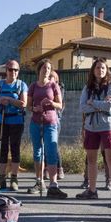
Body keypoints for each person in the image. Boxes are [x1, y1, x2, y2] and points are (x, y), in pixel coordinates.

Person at [76, 58, 111, 208]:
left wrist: (93, 103)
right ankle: (92, 190)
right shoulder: (87, 88)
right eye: (97, 68)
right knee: (91, 160)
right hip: (91, 127)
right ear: (93, 70)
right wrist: (99, 105)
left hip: (108, 126)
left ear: (107, 70)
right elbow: (82, 107)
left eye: (103, 68)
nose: (100, 70)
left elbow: (110, 106)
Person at [25, 59, 67, 198]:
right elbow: (28, 106)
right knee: (38, 152)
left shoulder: (54, 85)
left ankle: (53, 184)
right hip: (36, 122)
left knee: (51, 151)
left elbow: (60, 105)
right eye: (44, 67)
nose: (47, 70)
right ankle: (39, 181)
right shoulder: (33, 86)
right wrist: (34, 108)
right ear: (39, 69)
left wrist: (52, 103)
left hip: (51, 123)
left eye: (49, 68)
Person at [0, 60, 28, 190]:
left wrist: (10, 100)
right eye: (10, 69)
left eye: (16, 70)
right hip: (1, 120)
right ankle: (1, 178)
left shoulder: (21, 85)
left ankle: (14, 178)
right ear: (6, 71)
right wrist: (1, 101)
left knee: (15, 148)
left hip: (16, 121)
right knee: (2, 148)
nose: (13, 72)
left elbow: (24, 103)